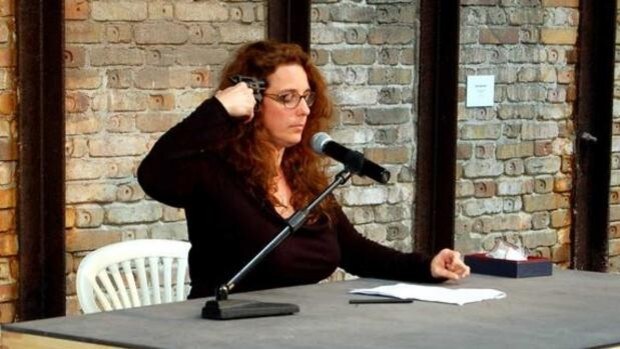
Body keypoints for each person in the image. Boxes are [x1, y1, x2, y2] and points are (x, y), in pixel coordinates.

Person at [138, 40, 470, 299]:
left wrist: (426, 266)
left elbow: (354, 252)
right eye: (287, 98)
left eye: (307, 97)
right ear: (251, 101)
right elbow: (154, 174)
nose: (304, 110)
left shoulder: (302, 179)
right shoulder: (213, 172)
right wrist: (218, 109)